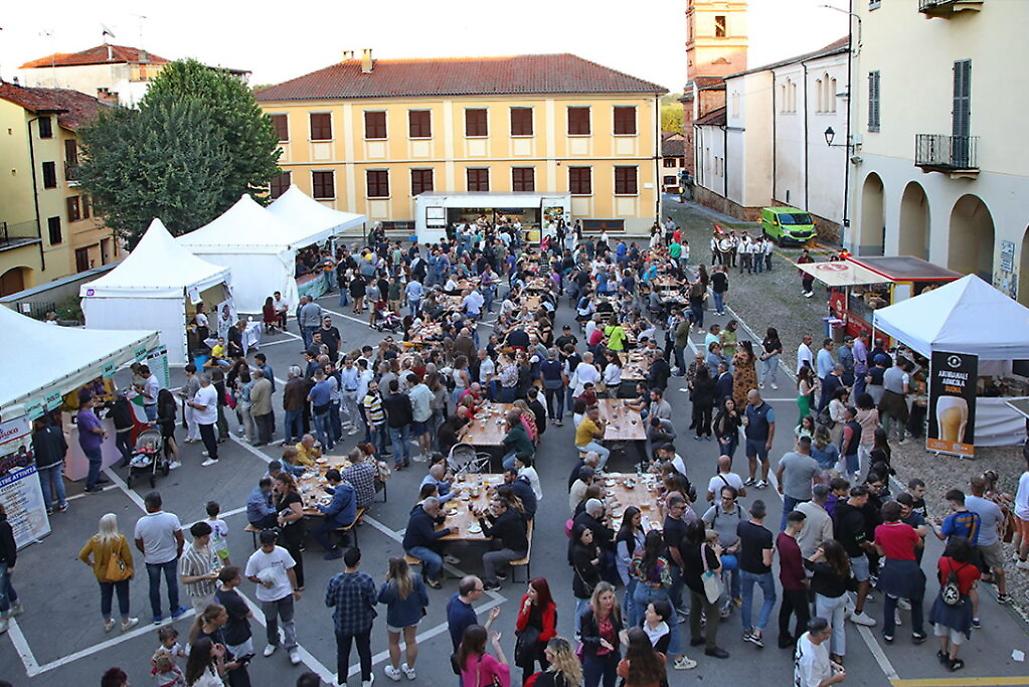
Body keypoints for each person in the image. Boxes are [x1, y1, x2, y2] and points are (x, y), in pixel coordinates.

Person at [245, 529, 302, 665]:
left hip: (284, 592)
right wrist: (261, 581)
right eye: (265, 545)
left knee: (288, 621)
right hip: (267, 596)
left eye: (270, 545)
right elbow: (250, 575)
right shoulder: (255, 559)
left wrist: (295, 589)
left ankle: (292, 647)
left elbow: (290, 570)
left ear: (274, 542)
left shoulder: (282, 552)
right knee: (270, 621)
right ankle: (272, 642)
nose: (268, 548)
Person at [874, 501, 926, 644]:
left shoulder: (879, 530)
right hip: (910, 568)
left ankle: (889, 633)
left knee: (890, 602)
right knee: (916, 602)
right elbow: (919, 544)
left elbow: (880, 551)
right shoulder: (908, 529)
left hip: (891, 568)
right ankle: (917, 632)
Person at [78, 513, 139, 633]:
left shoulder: (95, 540)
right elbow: (127, 557)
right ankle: (126, 621)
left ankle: (107, 622)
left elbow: (82, 555)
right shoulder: (119, 539)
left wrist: (91, 563)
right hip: (119, 573)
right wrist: (131, 570)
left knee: (105, 597)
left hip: (102, 574)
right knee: (123, 596)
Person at [326, 547, 377, 687]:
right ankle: (366, 679)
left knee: (342, 653)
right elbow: (374, 600)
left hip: (343, 624)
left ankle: (342, 681)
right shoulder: (366, 580)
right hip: (363, 622)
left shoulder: (335, 581)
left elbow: (329, 602)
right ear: (358, 562)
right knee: (364, 651)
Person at [134, 491, 187, 624]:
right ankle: (175, 609)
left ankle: (157, 614)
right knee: (172, 583)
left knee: (154, 586)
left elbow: (138, 541)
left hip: (151, 559)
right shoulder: (171, 518)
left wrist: (145, 552)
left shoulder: (141, 522)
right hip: (169, 556)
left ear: (148, 505)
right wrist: (179, 550)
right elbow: (180, 537)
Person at [929, 536, 980, 672]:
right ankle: (952, 659)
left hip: (943, 599)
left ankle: (943, 652)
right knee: (957, 633)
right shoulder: (972, 570)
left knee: (942, 629)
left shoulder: (943, 561)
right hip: (961, 604)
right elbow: (973, 584)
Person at [378, 556, 429, 681]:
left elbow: (381, 599)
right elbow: (424, 598)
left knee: (394, 643)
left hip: (395, 618)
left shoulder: (391, 585)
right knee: (411, 641)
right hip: (413, 615)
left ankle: (395, 671)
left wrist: (386, 582)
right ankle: (410, 669)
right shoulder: (415, 579)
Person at [804, 541, 852, 665]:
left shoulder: (824, 568)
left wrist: (816, 555)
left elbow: (808, 563)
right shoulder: (844, 564)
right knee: (839, 625)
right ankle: (839, 654)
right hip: (841, 597)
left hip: (826, 599)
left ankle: (824, 654)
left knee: (824, 627)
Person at [737, 500, 776, 649]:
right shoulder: (766, 535)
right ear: (764, 514)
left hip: (745, 567)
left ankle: (747, 629)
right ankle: (758, 630)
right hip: (761, 572)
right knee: (770, 597)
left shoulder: (742, 526)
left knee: (746, 597)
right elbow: (766, 561)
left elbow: (740, 543)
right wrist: (772, 552)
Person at [964, 476, 1009, 605]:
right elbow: (1000, 519)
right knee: (998, 568)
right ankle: (1002, 594)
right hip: (988, 541)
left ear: (972, 488)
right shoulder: (992, 507)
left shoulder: (966, 501)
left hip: (970, 539)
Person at [479, 496, 529, 591]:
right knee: (494, 543)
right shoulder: (510, 512)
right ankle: (499, 571)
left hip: (517, 551)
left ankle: (493, 584)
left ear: (504, 508)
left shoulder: (504, 520)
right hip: (519, 544)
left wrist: (481, 520)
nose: (493, 508)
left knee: (486, 557)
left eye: (496, 507)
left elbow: (488, 533)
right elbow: (497, 525)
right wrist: (489, 515)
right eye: (493, 506)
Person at [514, 578, 558, 684]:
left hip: (541, 642)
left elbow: (548, 632)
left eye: (532, 591)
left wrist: (535, 639)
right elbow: (519, 625)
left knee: (547, 667)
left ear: (540, 594)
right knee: (527, 669)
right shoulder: (526, 600)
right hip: (529, 641)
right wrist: (525, 610)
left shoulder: (549, 608)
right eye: (528, 589)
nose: (528, 593)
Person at [402, 496, 452, 589]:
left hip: (423, 542)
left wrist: (441, 515)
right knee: (436, 560)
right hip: (414, 547)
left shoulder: (426, 511)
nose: (438, 510)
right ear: (429, 509)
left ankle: (430, 567)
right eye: (436, 509)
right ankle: (430, 578)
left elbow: (438, 520)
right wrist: (448, 530)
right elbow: (431, 536)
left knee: (444, 544)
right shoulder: (421, 519)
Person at [777, 510, 809, 649]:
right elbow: (798, 570)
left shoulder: (781, 538)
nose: (803, 526)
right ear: (796, 524)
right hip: (795, 585)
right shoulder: (792, 547)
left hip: (785, 579)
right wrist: (805, 581)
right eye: (802, 523)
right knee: (803, 617)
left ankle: (783, 636)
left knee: (786, 609)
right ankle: (799, 645)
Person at [580, 582, 622, 687]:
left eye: (610, 597)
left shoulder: (615, 609)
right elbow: (584, 637)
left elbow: (619, 626)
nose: (609, 601)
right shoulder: (588, 614)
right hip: (594, 656)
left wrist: (622, 633)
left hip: (612, 654)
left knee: (610, 684)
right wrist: (599, 641)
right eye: (604, 598)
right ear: (597, 599)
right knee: (591, 684)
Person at [447, 576, 502, 653]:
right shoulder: (466, 616)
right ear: (470, 593)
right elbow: (478, 637)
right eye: (480, 590)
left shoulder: (454, 599)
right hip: (468, 655)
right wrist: (490, 619)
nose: (483, 591)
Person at [776, 437, 820, 531]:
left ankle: (783, 534)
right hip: (805, 494)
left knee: (786, 513)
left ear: (798, 444)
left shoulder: (788, 457)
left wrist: (780, 484)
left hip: (789, 490)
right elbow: (817, 481)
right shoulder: (813, 463)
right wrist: (814, 493)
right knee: (804, 516)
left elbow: (779, 472)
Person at [312, 469, 358, 560]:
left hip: (343, 519)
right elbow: (338, 494)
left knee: (316, 532)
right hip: (350, 513)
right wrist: (327, 489)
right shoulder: (346, 485)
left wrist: (318, 506)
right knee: (326, 519)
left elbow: (331, 511)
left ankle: (334, 549)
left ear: (332, 480)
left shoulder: (340, 494)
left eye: (329, 481)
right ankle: (344, 539)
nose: (328, 482)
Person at [179, 521, 220, 614]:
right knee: (204, 618)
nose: (208, 539)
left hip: (214, 587)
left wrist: (218, 569)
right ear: (196, 537)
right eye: (205, 537)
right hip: (201, 595)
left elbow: (214, 560)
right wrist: (204, 577)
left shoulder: (209, 545)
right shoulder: (188, 557)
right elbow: (184, 579)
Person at [215, 567, 254, 663]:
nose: (240, 578)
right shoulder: (235, 600)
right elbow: (249, 614)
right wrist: (243, 601)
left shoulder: (219, 591)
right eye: (236, 578)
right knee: (242, 659)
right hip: (239, 634)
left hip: (227, 631)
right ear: (228, 582)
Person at [31, 415, 68, 513]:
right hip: (57, 459)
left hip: (42, 463)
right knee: (58, 480)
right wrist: (63, 457)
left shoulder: (35, 437)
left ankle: (48, 507)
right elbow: (64, 445)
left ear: (38, 423)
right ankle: (62, 503)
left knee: (45, 484)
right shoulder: (56, 430)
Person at [794, 617, 846, 687]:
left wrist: (833, 664)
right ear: (817, 634)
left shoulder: (805, 636)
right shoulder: (811, 659)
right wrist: (835, 679)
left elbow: (821, 656)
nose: (829, 635)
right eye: (826, 633)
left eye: (829, 631)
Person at [77, 392, 109, 493]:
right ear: (85, 403)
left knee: (95, 461)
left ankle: (96, 477)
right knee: (96, 462)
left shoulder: (86, 412)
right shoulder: (84, 415)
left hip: (91, 441)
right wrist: (103, 431)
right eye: (90, 400)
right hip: (90, 442)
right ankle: (90, 485)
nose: (92, 402)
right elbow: (93, 429)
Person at [744, 389, 776, 489]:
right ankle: (752, 477)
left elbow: (772, 426)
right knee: (751, 458)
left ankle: (764, 480)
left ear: (757, 398)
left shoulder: (768, 410)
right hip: (750, 438)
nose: (749, 400)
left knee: (763, 459)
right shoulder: (748, 407)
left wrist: (769, 441)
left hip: (761, 439)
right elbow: (745, 417)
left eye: (751, 398)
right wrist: (745, 421)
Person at [188, 374, 220, 466]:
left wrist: (192, 404)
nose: (200, 382)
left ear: (204, 382)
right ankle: (211, 450)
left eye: (201, 381)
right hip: (204, 418)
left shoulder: (207, 391)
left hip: (206, 418)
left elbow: (202, 407)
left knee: (207, 436)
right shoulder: (207, 388)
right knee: (208, 435)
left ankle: (213, 456)